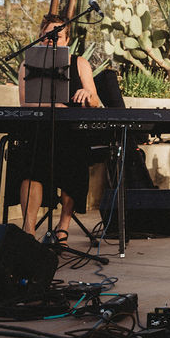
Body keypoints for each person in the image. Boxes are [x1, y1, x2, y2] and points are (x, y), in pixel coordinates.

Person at [15, 14, 101, 244]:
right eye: (46, 37)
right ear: (39, 38)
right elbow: (25, 102)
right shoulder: (27, 65)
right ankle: (28, 232)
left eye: (57, 37)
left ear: (67, 40)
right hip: (40, 131)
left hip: (71, 132)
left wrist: (88, 95)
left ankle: (63, 228)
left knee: (75, 162)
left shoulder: (80, 63)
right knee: (31, 165)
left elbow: (96, 102)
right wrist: (55, 106)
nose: (51, 41)